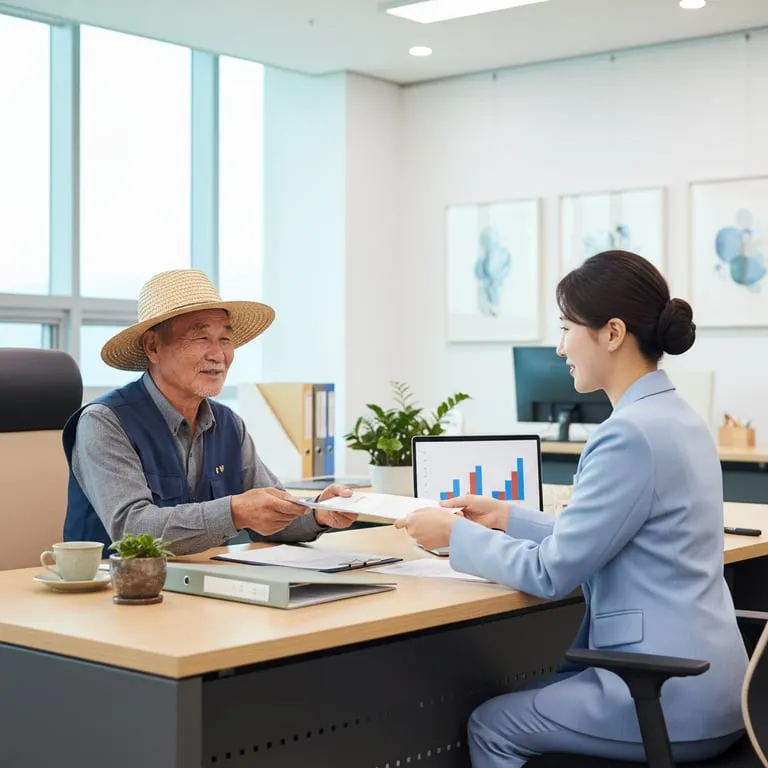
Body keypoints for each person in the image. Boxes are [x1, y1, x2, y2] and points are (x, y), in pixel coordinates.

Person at [395, 250, 748, 766]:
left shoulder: (626, 434)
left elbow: (550, 572)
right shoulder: (681, 418)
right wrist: (508, 517)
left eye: (566, 328)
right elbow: (621, 531)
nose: (560, 347)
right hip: (722, 690)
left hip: (663, 695)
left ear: (612, 333)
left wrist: (454, 535)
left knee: (491, 725)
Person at [63, 269, 355, 557]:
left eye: (225, 340)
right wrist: (235, 511)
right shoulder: (104, 422)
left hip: (204, 589)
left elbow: (271, 515)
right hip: (118, 594)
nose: (218, 355)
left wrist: (319, 512)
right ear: (153, 347)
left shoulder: (228, 424)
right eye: (201, 338)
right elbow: (133, 528)